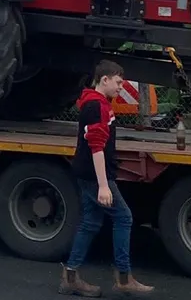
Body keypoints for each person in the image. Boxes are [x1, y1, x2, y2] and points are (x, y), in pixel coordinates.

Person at [59, 60, 154, 296]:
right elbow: (96, 147)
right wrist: (103, 185)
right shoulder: (97, 106)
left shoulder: (95, 102)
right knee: (124, 218)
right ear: (105, 80)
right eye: (119, 82)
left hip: (86, 172)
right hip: (94, 176)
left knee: (90, 223)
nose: (121, 87)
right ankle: (123, 277)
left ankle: (71, 276)